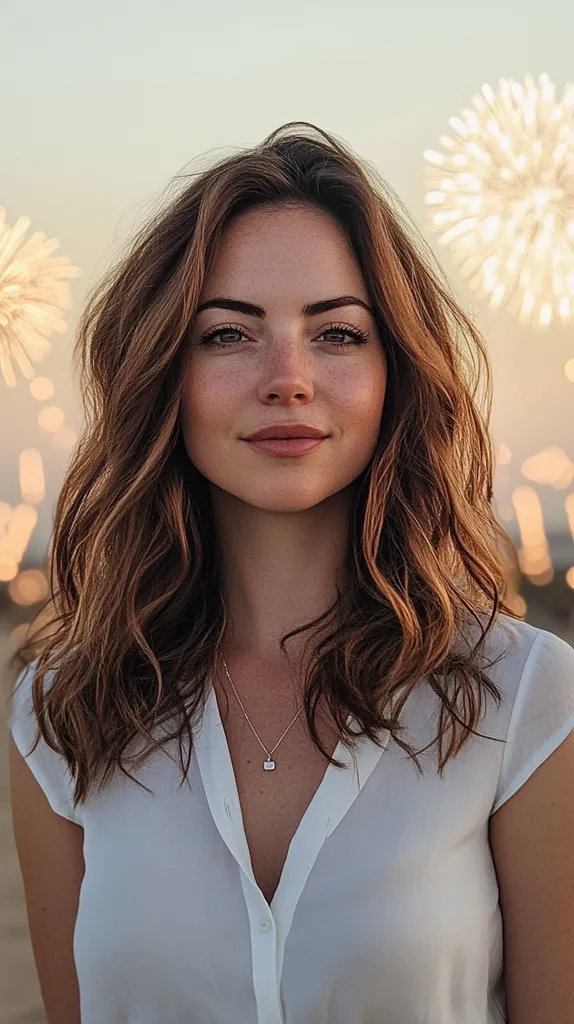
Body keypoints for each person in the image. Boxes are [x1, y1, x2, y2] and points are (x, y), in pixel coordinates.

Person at [7, 121, 574, 1024]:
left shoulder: (527, 699)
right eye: (228, 335)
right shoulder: (61, 714)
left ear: (395, 370)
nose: (289, 378)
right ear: (165, 373)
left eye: (338, 333)